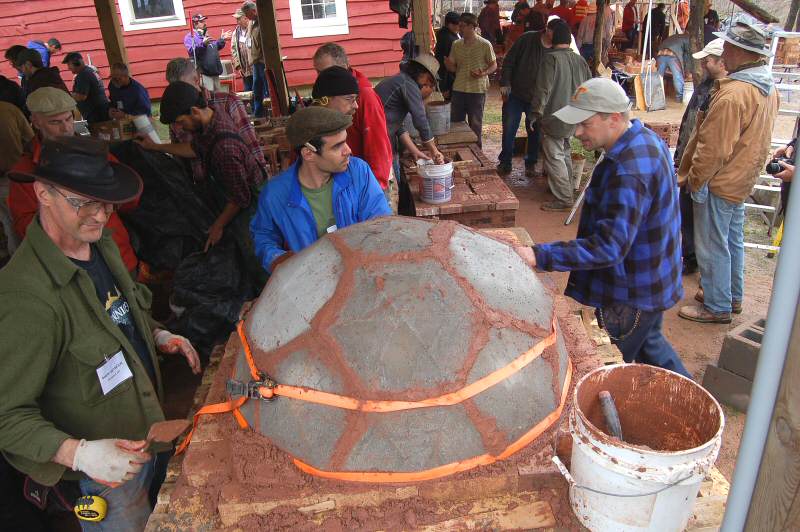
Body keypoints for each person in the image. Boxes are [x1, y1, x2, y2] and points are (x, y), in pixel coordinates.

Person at [0, 135, 201, 531]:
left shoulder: (100, 244)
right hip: (104, 476)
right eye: (84, 202)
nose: (100, 215)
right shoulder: (25, 296)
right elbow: (6, 414)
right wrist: (79, 454)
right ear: (43, 193)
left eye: (106, 201)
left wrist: (157, 334)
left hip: (148, 432)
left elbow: (117, 314)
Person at [515, 78, 690, 377]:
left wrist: (538, 256)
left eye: (585, 124)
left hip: (628, 294)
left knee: (601, 373)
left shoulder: (629, 169)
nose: (577, 132)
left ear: (614, 118)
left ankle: (677, 414)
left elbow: (609, 247)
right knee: (652, 347)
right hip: (651, 279)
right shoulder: (643, 139)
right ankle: (695, 409)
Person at [677, 19, 778, 323]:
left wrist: (695, 179)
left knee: (712, 244)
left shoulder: (734, 94)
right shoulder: (765, 86)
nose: (725, 54)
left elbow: (713, 148)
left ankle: (717, 305)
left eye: (730, 48)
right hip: (741, 177)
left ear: (741, 52)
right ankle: (729, 295)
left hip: (720, 180)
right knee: (730, 240)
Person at [9, 87, 139, 273]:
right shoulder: (25, 171)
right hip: (72, 269)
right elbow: (26, 229)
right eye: (55, 122)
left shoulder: (93, 152)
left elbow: (130, 199)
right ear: (35, 122)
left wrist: (110, 204)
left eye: (69, 118)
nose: (66, 128)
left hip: (118, 254)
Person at [250, 107, 391, 274]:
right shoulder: (275, 194)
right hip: (311, 281)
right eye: (337, 146)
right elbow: (263, 236)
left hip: (361, 271)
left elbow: (381, 221)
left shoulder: (358, 172)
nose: (348, 151)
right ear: (308, 154)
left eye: (345, 141)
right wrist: (277, 259)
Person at [142, 82, 267, 255]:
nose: (179, 128)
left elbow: (241, 198)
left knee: (255, 254)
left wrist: (218, 225)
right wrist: (156, 147)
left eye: (180, 121)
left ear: (194, 111)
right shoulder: (211, 116)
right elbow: (194, 148)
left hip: (250, 205)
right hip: (235, 193)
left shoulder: (225, 149)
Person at [312, 44, 395, 211]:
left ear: (344, 67)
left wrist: (375, 189)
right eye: (318, 72)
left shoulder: (365, 97)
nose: (320, 78)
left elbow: (378, 148)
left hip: (365, 185)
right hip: (342, 185)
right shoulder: (326, 98)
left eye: (325, 72)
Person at [163, 58, 265, 187]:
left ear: (196, 79)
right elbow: (182, 161)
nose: (178, 94)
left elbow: (251, 146)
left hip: (241, 184)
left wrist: (262, 183)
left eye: (182, 87)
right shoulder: (177, 118)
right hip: (206, 191)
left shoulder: (228, 102)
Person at [673, 38, 726, 275]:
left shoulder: (722, 94)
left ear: (722, 62)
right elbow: (689, 126)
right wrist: (680, 157)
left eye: (708, 60)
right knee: (688, 215)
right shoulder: (706, 86)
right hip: (690, 161)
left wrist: (695, 171)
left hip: (701, 168)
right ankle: (690, 256)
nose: (704, 64)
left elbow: (710, 140)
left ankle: (703, 268)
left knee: (703, 222)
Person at [530, 22, 591, 211]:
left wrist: (534, 113)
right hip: (575, 115)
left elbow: (542, 90)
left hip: (555, 116)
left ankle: (564, 198)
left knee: (555, 155)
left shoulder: (551, 59)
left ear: (554, 37)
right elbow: (589, 86)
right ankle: (567, 191)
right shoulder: (580, 60)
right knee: (563, 151)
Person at [375, 54, 446, 213]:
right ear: (426, 77)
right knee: (389, 186)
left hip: (384, 138)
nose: (429, 88)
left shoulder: (400, 81)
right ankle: (390, 217)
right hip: (379, 142)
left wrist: (415, 150)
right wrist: (434, 151)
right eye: (431, 84)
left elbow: (397, 125)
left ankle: (395, 213)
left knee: (394, 184)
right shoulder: (409, 84)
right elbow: (420, 120)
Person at [498, 16, 549, 175]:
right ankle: (505, 161)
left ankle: (531, 162)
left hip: (536, 98)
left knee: (535, 130)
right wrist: (505, 83)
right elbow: (509, 61)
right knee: (509, 128)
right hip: (516, 93)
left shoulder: (557, 48)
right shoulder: (527, 39)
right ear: (547, 30)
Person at [445, 12, 497, 149]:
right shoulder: (456, 44)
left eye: (462, 26)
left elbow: (494, 65)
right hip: (459, 88)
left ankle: (477, 154)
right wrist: (448, 65)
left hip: (477, 90)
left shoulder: (485, 44)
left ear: (472, 26)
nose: (459, 29)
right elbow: (453, 67)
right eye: (459, 26)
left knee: (475, 125)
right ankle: (458, 151)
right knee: (456, 123)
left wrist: (483, 73)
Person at [0, 101, 33, 258]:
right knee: (16, 222)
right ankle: (25, 261)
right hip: (12, 174)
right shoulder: (9, 109)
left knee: (8, 222)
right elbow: (30, 139)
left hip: (10, 176)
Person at [183, 13, 231, 93]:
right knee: (208, 99)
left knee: (217, 99)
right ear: (195, 24)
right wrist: (203, 44)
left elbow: (213, 47)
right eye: (202, 21)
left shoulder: (204, 35)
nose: (205, 23)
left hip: (215, 73)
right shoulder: (190, 36)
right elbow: (192, 50)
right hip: (204, 74)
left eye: (204, 21)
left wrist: (222, 39)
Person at [63, 52, 109, 124]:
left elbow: (81, 96)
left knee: (99, 134)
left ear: (77, 63)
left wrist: (66, 95)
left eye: (69, 64)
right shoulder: (89, 71)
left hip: (95, 113)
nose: (68, 68)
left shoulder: (83, 75)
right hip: (100, 111)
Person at [242, 1, 270, 118]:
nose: (246, 18)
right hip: (255, 62)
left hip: (263, 61)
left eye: (247, 14)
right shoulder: (251, 23)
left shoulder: (263, 22)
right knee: (256, 89)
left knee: (267, 89)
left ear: (253, 11)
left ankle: (270, 112)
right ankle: (259, 114)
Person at [656, 33, 692, 103]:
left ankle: (656, 97)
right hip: (673, 54)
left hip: (661, 52)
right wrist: (687, 70)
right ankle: (679, 98)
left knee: (658, 77)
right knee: (677, 76)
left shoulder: (677, 36)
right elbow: (687, 57)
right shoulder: (688, 39)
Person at [435, 12, 461, 98]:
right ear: (450, 25)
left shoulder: (444, 34)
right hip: (447, 76)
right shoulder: (449, 39)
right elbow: (447, 62)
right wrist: (445, 86)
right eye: (458, 25)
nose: (460, 27)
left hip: (444, 73)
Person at [231, 8, 253, 91]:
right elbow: (233, 50)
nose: (237, 21)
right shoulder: (236, 33)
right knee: (248, 90)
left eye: (239, 19)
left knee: (258, 88)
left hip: (255, 66)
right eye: (237, 19)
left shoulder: (252, 29)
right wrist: (238, 66)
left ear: (245, 18)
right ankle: (251, 104)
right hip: (244, 68)